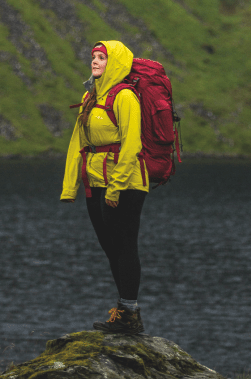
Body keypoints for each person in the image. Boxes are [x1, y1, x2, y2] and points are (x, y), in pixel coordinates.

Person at [61, 40, 148, 334]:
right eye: (93, 57)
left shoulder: (125, 97)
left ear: (116, 63)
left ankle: (130, 314)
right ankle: (124, 313)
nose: (95, 61)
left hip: (125, 184)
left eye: (102, 57)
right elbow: (78, 143)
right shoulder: (90, 97)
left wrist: (116, 188)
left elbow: (132, 144)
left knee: (124, 246)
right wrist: (69, 187)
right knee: (111, 248)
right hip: (95, 182)